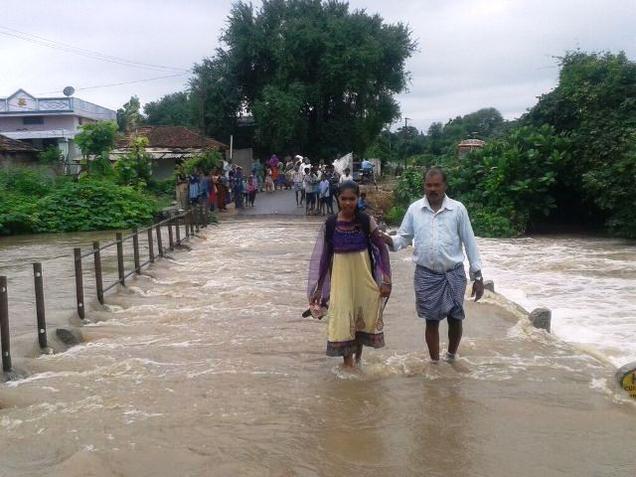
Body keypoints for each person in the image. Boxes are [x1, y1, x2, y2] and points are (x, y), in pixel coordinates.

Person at [379, 167, 485, 363]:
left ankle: (451, 357)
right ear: (424, 186)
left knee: (455, 318)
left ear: (445, 186)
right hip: (426, 275)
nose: (432, 189)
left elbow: (470, 243)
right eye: (429, 185)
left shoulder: (458, 209)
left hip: (454, 273)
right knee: (431, 320)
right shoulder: (414, 209)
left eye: (437, 185)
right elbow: (403, 238)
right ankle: (435, 363)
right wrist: (385, 239)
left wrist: (477, 276)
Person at [307, 180, 392, 369]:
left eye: (351, 199)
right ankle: (349, 365)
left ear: (357, 198)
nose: (347, 203)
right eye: (343, 199)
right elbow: (324, 258)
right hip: (340, 282)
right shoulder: (330, 224)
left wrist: (387, 279)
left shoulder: (365, 221)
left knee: (360, 320)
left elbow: (382, 249)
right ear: (337, 199)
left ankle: (358, 361)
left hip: (363, 280)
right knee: (342, 317)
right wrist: (319, 288)